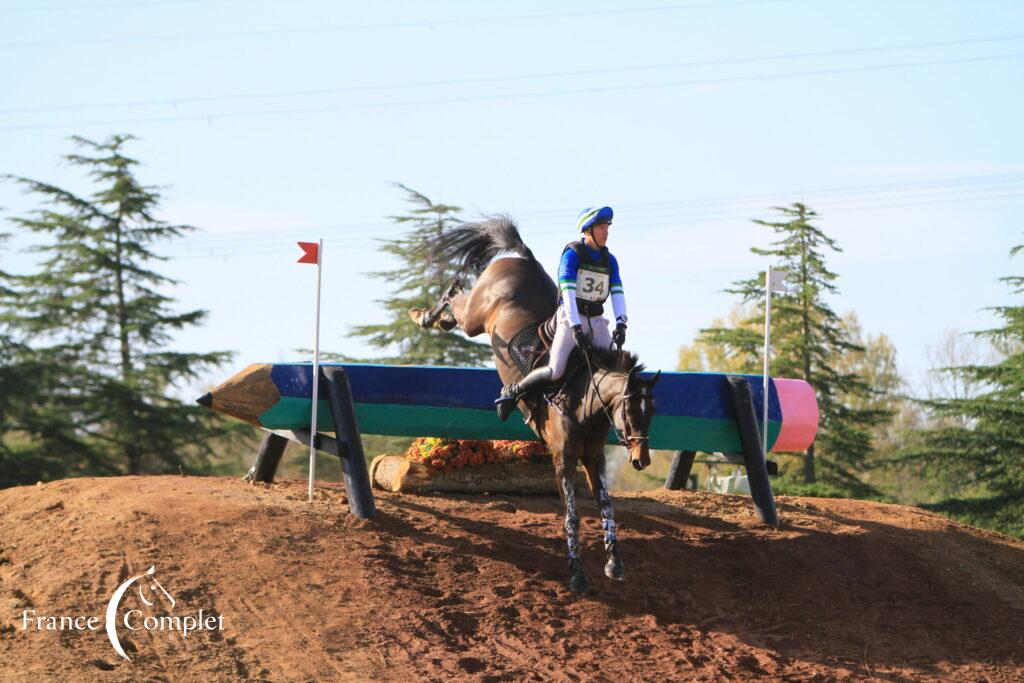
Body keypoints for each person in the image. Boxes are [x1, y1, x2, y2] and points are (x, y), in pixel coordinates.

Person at [495, 206, 628, 420]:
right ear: (588, 231)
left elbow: (617, 292)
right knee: (556, 370)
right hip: (569, 317)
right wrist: (575, 327)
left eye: (607, 227)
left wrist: (622, 323)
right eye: (602, 227)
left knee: (618, 371)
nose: (606, 232)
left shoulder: (609, 260)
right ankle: (514, 391)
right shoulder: (572, 255)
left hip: (597, 320)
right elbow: (568, 294)